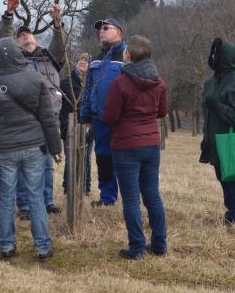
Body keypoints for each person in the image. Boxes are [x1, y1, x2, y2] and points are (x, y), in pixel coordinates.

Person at [0, 37, 63, 261]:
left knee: (6, 198)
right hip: (34, 146)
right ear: (18, 53)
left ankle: (6, 245)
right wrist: (56, 147)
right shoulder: (36, 78)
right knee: (36, 197)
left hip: (7, 149)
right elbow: (47, 118)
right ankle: (43, 247)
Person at [0, 0, 65, 217]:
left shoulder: (49, 57)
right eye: (20, 34)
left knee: (46, 162)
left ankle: (47, 201)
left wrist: (57, 23)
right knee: (26, 164)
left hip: (50, 117)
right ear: (15, 44)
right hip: (25, 118)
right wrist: (9, 15)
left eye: (28, 33)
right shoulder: (12, 62)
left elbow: (59, 46)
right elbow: (0, 41)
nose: (25, 34)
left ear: (35, 39)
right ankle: (25, 205)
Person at [104, 35, 168, 260]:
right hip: (151, 144)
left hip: (126, 145)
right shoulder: (159, 82)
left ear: (128, 55)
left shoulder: (120, 83)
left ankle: (137, 248)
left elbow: (110, 116)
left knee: (131, 199)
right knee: (152, 196)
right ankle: (159, 244)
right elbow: (161, 112)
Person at [200, 38, 235, 229]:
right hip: (215, 139)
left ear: (226, 58)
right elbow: (208, 113)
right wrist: (206, 138)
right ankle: (232, 214)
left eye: (218, 54)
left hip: (231, 140)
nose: (214, 56)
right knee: (223, 179)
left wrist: (217, 105)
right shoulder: (212, 82)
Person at [80, 18, 126, 207]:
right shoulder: (96, 60)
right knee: (103, 158)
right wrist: (85, 117)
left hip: (123, 120)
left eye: (106, 28)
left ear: (119, 33)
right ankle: (107, 198)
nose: (102, 31)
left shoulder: (127, 56)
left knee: (124, 158)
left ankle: (130, 197)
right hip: (99, 119)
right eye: (100, 29)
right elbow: (88, 89)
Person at [59, 53, 93, 196]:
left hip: (87, 125)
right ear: (76, 62)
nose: (83, 63)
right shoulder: (66, 83)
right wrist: (64, 123)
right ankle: (68, 187)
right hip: (70, 125)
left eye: (86, 61)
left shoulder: (92, 83)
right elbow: (59, 105)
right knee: (70, 157)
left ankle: (85, 187)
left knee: (86, 158)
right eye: (81, 60)